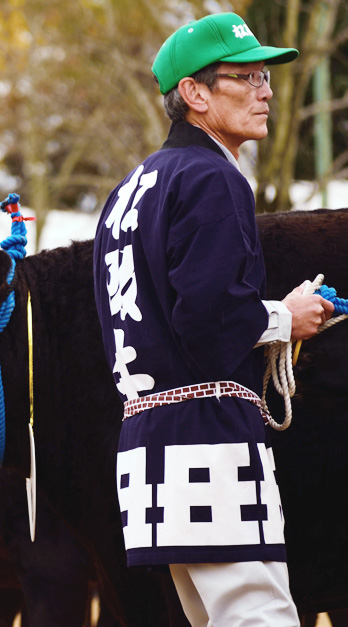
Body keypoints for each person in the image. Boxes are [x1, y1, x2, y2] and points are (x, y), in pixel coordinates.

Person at [92, 12, 334, 626]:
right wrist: (287, 315)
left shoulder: (129, 187)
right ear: (195, 94)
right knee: (260, 618)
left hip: (147, 447)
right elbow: (208, 320)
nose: (266, 90)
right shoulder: (211, 176)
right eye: (246, 76)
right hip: (209, 438)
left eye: (267, 76)